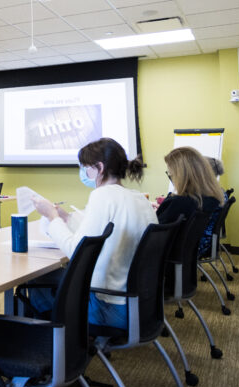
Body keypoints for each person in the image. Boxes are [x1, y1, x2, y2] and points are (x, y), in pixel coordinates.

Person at [30, 137, 156, 327]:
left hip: (111, 310)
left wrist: (52, 217)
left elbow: (76, 251)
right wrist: (66, 218)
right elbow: (101, 231)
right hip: (141, 304)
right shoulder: (138, 198)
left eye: (85, 167)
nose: (83, 172)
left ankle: (56, 342)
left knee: (37, 281)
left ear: (100, 167)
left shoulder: (103, 195)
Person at [156, 147, 224, 226]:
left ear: (182, 176)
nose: (171, 176)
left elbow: (154, 232)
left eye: (170, 173)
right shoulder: (211, 199)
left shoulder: (177, 203)